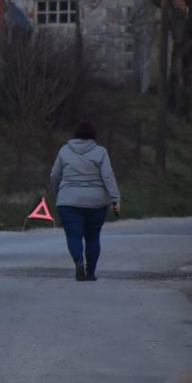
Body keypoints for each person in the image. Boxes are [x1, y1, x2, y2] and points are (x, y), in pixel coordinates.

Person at [49, 120, 120, 281]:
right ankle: (90, 272)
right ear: (93, 135)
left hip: (68, 201)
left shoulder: (64, 151)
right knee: (93, 237)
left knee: (73, 236)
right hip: (96, 203)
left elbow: (54, 174)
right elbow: (108, 177)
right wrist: (115, 198)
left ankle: (78, 261)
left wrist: (58, 191)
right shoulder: (100, 152)